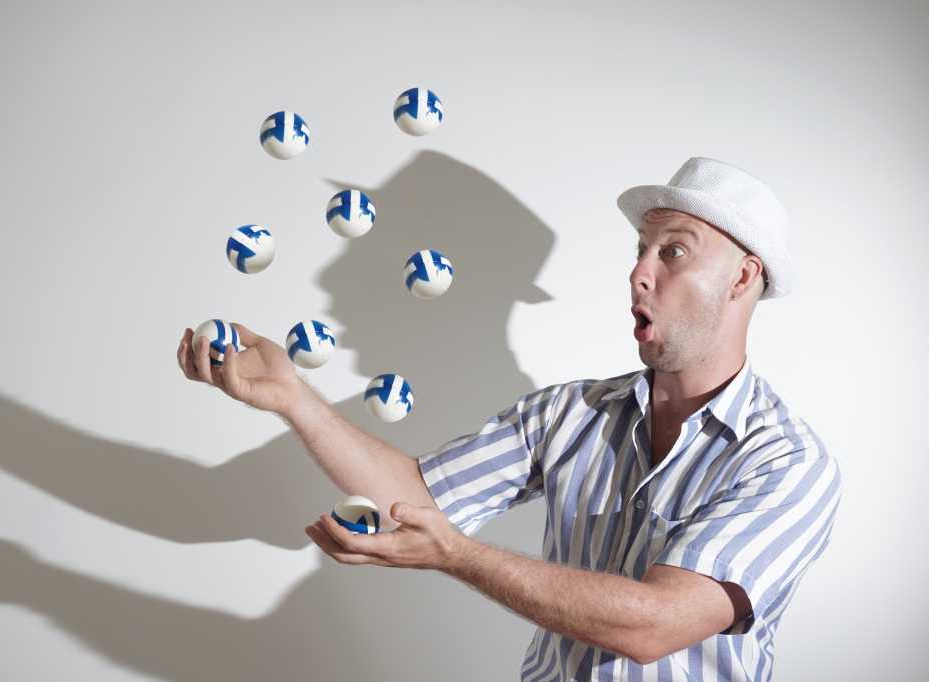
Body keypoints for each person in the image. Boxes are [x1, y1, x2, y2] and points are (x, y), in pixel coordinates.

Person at [176, 156, 842, 681]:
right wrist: (293, 397)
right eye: (641, 248)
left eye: (673, 252)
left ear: (742, 278)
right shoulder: (569, 412)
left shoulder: (786, 463)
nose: (638, 272)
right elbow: (417, 500)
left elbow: (654, 625)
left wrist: (456, 556)